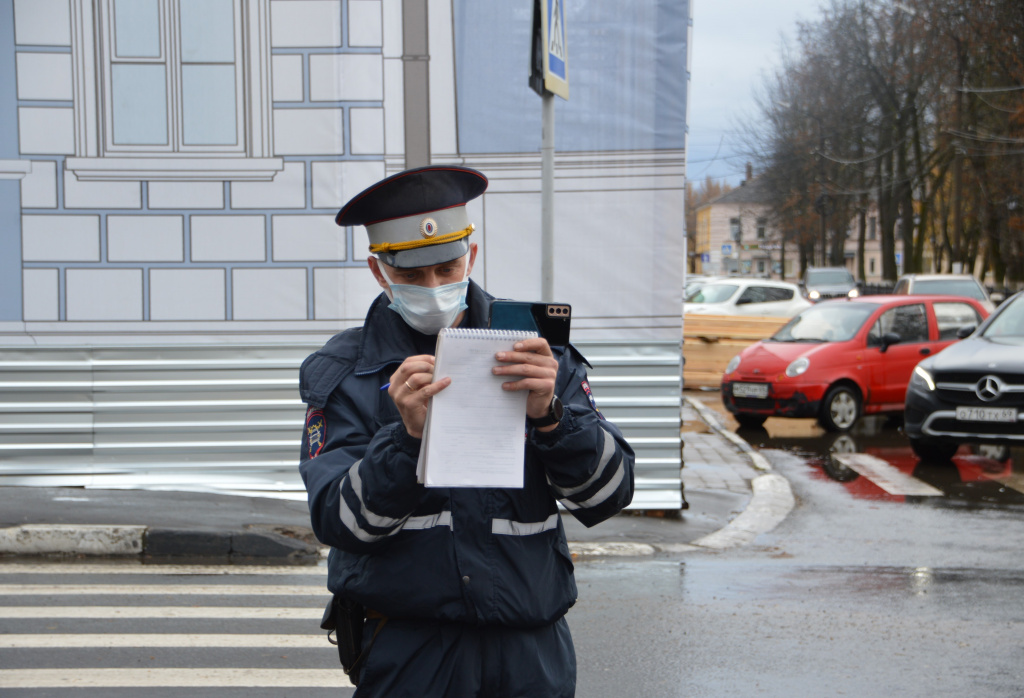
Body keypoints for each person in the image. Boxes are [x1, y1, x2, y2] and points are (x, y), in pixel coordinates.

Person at [298, 165, 635, 697]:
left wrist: (550, 416)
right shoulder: (347, 373)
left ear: (470, 257)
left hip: (530, 652)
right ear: (378, 270)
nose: (433, 288)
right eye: (411, 275)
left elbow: (609, 494)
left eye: (446, 267)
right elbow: (338, 522)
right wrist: (407, 442)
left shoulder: (536, 353)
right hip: (409, 651)